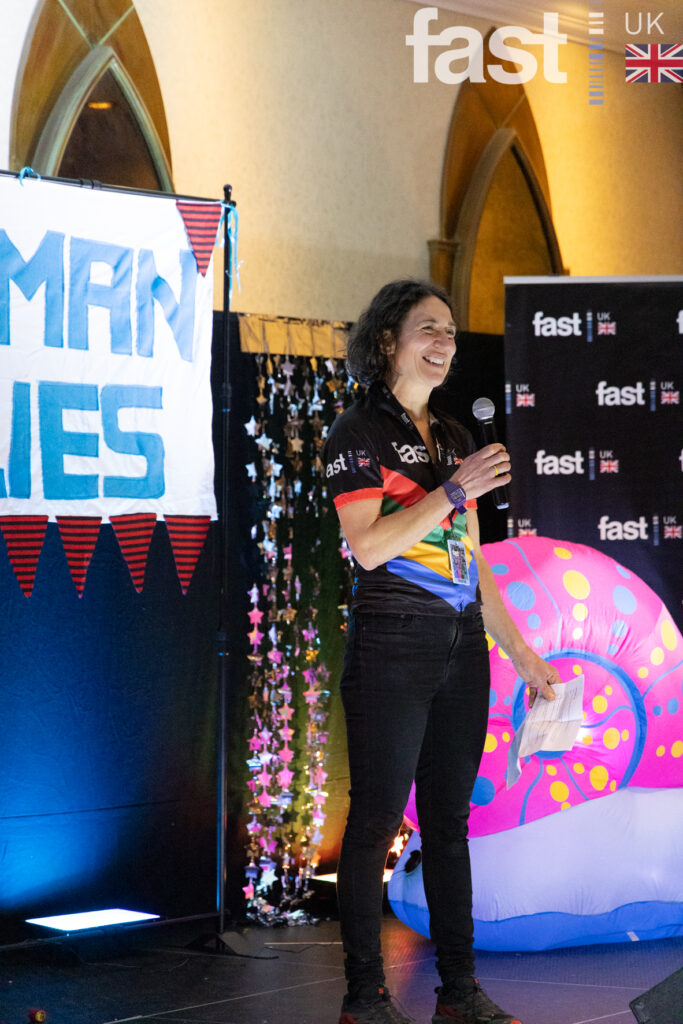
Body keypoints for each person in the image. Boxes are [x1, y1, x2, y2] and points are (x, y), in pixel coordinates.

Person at [322, 280, 560, 1024]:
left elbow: (471, 557)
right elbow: (369, 547)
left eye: (451, 331)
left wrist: (521, 653)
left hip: (461, 644)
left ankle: (459, 991)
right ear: (386, 340)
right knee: (375, 821)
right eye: (428, 328)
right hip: (393, 639)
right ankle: (365, 997)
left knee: (449, 824)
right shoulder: (356, 431)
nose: (446, 342)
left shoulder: (455, 436)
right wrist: (452, 491)